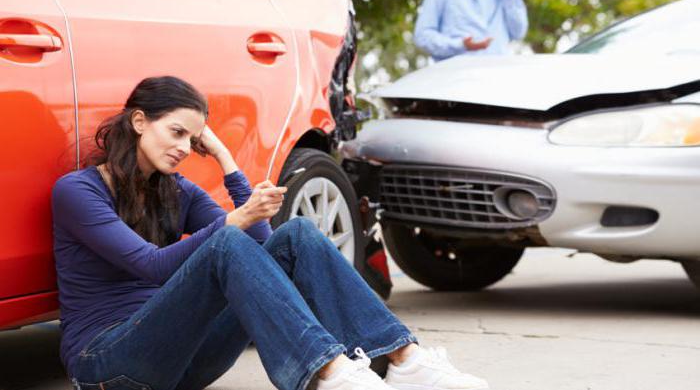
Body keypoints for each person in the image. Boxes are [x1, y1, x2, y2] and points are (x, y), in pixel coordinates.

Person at [52, 76, 490, 390]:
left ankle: (404, 359)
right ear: (139, 121)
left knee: (296, 235)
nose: (185, 148)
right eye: (176, 132)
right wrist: (236, 219)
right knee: (226, 239)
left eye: (194, 139)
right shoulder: (78, 191)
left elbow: (263, 250)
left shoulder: (174, 190)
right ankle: (330, 371)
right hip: (109, 365)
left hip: (181, 363)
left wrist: (226, 161)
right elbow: (149, 266)